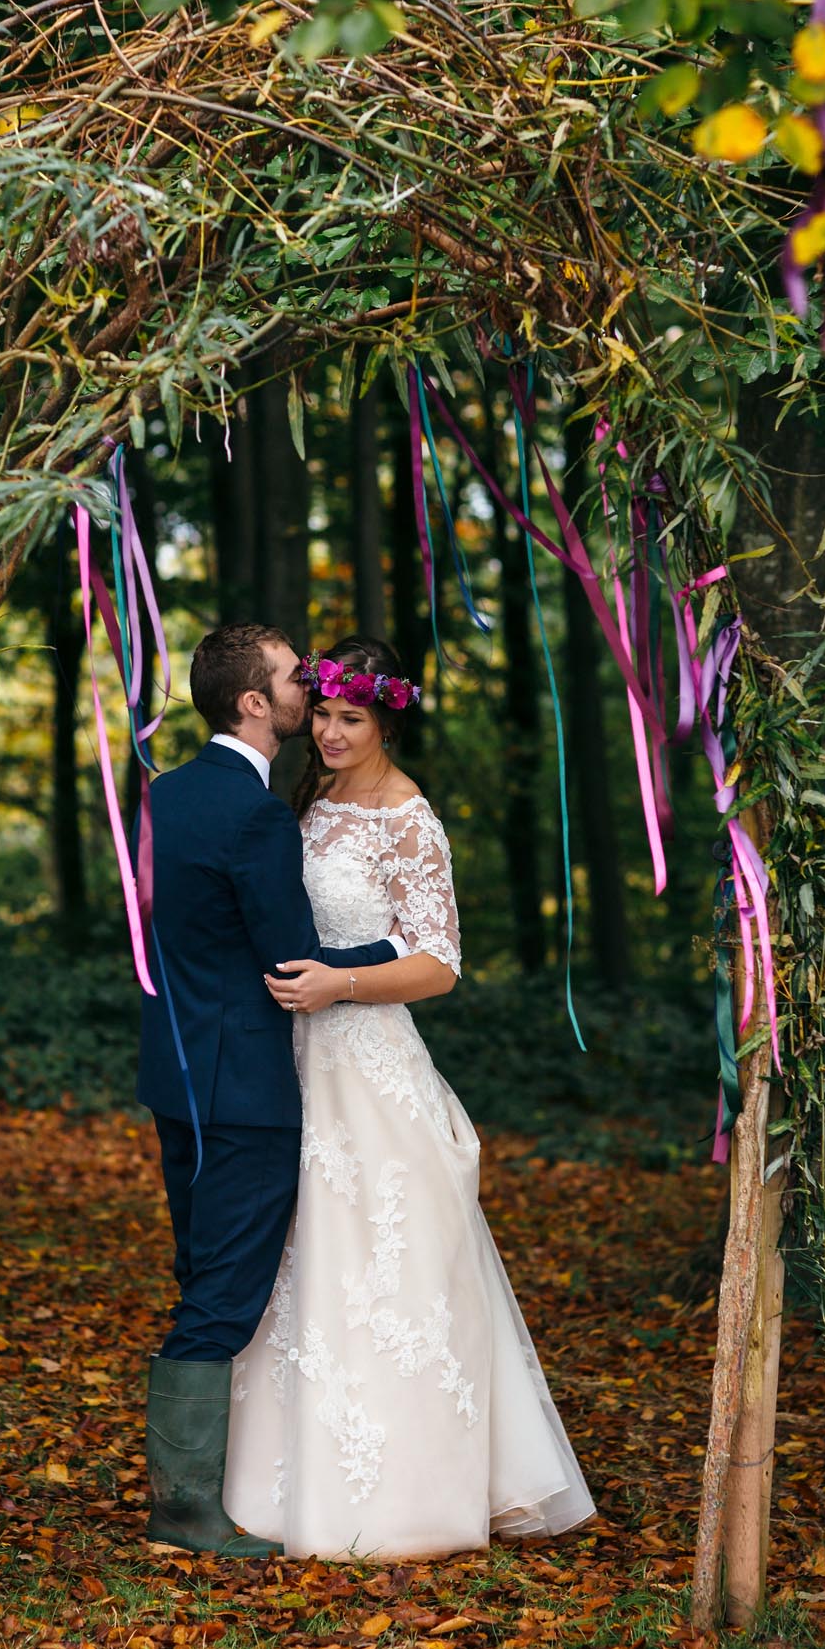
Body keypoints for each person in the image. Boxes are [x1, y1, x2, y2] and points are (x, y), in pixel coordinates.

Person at [222, 635, 595, 1560]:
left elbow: (437, 964)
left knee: (382, 1267)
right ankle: (288, 1482)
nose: (335, 734)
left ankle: (408, 1491)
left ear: (384, 718)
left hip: (369, 1062)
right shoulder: (305, 802)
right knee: (300, 1261)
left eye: (354, 719)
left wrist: (336, 988)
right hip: (297, 1058)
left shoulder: (407, 817)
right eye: (328, 717)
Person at [138, 623, 408, 1557]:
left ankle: (189, 1490)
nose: (313, 687)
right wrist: (387, 954)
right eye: (298, 678)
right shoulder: (254, 816)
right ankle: (182, 1510)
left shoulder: (162, 796)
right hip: (245, 1085)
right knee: (221, 1290)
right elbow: (289, 959)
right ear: (254, 702)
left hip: (173, 1074)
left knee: (199, 1269)